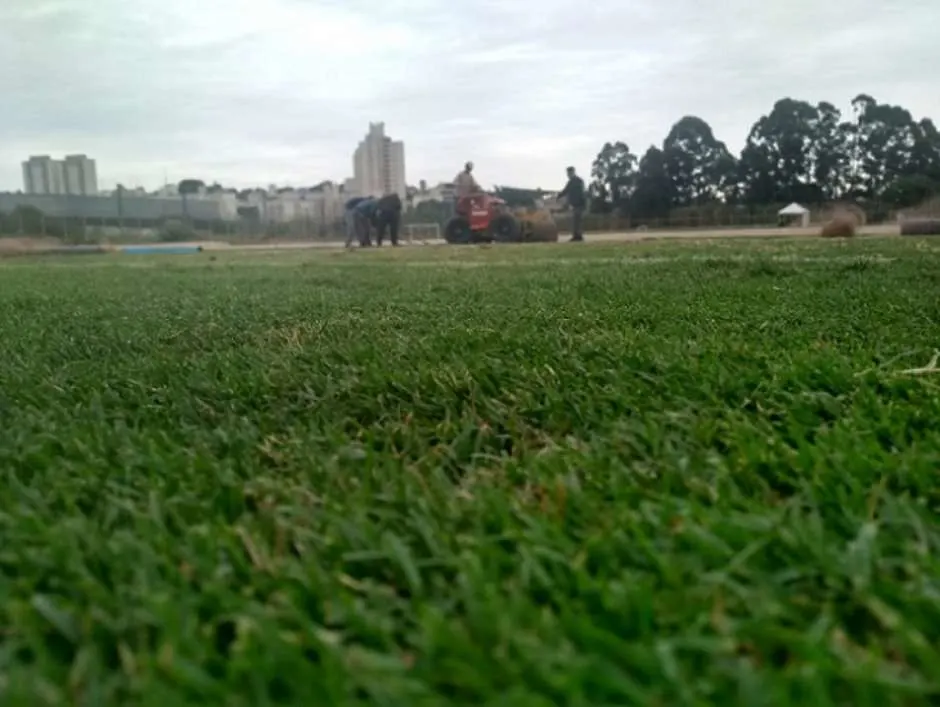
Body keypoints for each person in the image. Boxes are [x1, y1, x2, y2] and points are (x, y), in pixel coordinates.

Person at [557, 166, 586, 242]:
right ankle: (577, 235)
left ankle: (577, 236)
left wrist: (559, 196)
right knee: (576, 220)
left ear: (572, 172)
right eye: (567, 173)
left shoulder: (577, 181)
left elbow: (581, 192)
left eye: (569, 173)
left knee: (577, 220)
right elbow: (565, 191)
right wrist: (559, 196)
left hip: (579, 203)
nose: (568, 175)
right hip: (575, 204)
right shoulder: (572, 182)